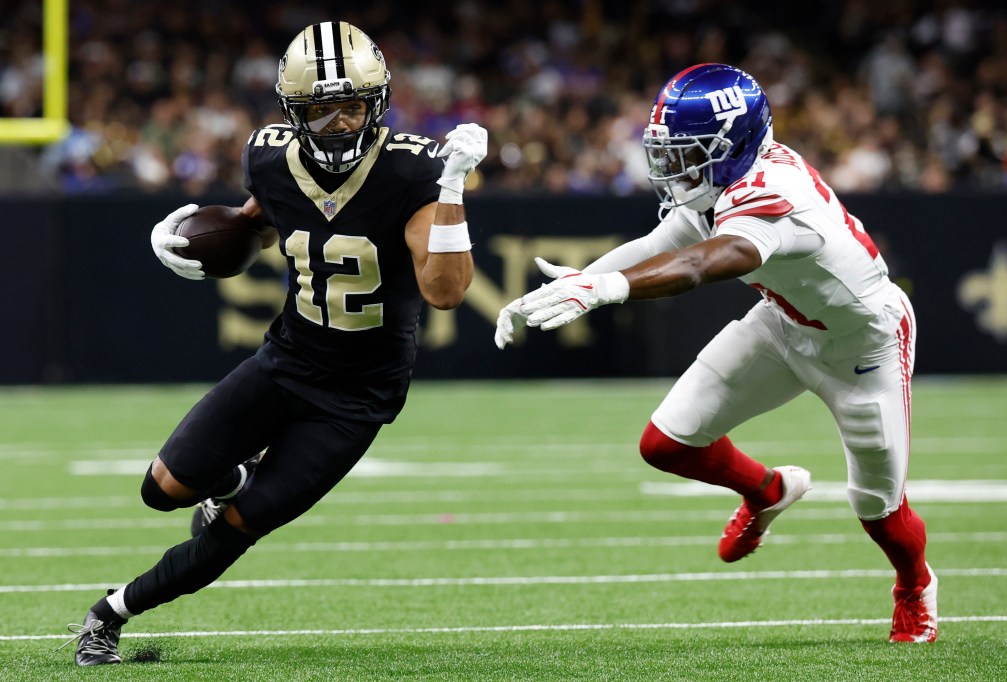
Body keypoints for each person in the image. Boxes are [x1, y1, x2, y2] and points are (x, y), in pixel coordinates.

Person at [60, 21, 487, 665]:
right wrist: (195, 236)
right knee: (163, 488)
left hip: (358, 397)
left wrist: (452, 190)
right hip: (285, 359)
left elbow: (446, 291)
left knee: (237, 527)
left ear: (379, 103)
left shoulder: (414, 170)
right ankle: (232, 476)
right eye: (323, 108)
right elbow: (259, 224)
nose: (342, 122)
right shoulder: (268, 157)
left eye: (354, 105)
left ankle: (110, 613)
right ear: (294, 111)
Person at [495, 63, 936, 643]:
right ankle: (767, 489)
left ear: (734, 143)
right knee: (666, 443)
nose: (673, 165)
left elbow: (704, 263)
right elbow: (660, 245)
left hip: (865, 343)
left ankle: (914, 586)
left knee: (877, 505)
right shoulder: (725, 181)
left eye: (688, 151)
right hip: (784, 322)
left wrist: (602, 289)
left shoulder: (773, 192)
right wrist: (575, 284)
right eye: (668, 150)